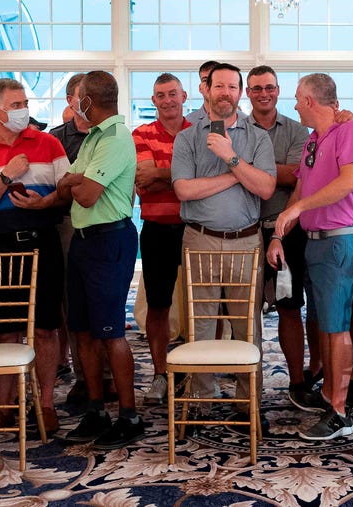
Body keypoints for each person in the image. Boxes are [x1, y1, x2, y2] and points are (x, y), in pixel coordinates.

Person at [0, 78, 69, 435]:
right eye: (16, 105)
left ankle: (47, 402)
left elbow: (68, 192)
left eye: (25, 103)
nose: (24, 110)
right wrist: (6, 177)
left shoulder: (49, 143)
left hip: (42, 242)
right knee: (5, 328)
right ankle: (5, 404)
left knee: (45, 326)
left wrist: (46, 201)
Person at [268, 73, 353, 440]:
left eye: (297, 99)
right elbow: (301, 188)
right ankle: (331, 398)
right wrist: (280, 233)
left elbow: (348, 183)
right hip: (315, 241)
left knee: (336, 326)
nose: (294, 106)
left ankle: (340, 413)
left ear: (311, 100)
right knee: (327, 323)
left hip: (340, 241)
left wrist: (296, 211)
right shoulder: (314, 139)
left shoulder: (351, 131)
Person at [171, 62, 276, 412]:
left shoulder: (258, 137)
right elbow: (184, 190)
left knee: (247, 325)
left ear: (240, 92)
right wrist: (239, 174)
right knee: (200, 324)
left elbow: (264, 187)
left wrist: (230, 158)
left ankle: (248, 400)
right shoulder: (187, 136)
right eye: (220, 86)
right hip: (199, 239)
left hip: (247, 242)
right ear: (207, 89)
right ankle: (201, 397)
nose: (226, 93)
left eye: (233, 87)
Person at [57, 71, 143, 448]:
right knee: (82, 330)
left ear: (89, 101)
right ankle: (95, 410)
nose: (73, 104)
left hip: (110, 239)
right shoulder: (93, 136)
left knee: (111, 332)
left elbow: (87, 194)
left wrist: (76, 183)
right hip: (84, 240)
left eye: (77, 98)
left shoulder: (117, 137)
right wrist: (74, 183)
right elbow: (65, 184)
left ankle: (129, 414)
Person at [245, 66, 320, 409]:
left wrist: (243, 169)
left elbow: (295, 177)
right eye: (257, 88)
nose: (264, 93)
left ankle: (296, 381)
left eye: (269, 88)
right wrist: (269, 171)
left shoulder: (296, 129)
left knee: (290, 307)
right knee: (241, 311)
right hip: (243, 231)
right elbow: (284, 172)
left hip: (286, 231)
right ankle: (242, 381)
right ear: (248, 92)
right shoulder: (237, 129)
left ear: (278, 91)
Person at [132, 73, 191, 406]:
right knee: (158, 305)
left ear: (184, 96)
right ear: (153, 101)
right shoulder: (140, 134)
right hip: (156, 229)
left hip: (195, 228)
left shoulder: (199, 130)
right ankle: (159, 374)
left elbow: (205, 176)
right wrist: (184, 175)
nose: (167, 100)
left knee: (202, 305)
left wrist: (163, 173)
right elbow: (144, 180)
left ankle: (199, 371)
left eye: (172, 93)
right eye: (160, 95)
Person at [49, 74, 91, 407]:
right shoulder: (55, 140)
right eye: (83, 96)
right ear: (70, 100)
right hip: (66, 223)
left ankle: (105, 377)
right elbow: (57, 186)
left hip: (103, 224)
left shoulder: (110, 136)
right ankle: (83, 375)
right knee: (72, 304)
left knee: (103, 305)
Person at [185, 60, 220, 124]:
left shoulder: (242, 120)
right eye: (205, 80)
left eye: (215, 79)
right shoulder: (188, 122)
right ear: (200, 88)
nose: (210, 84)